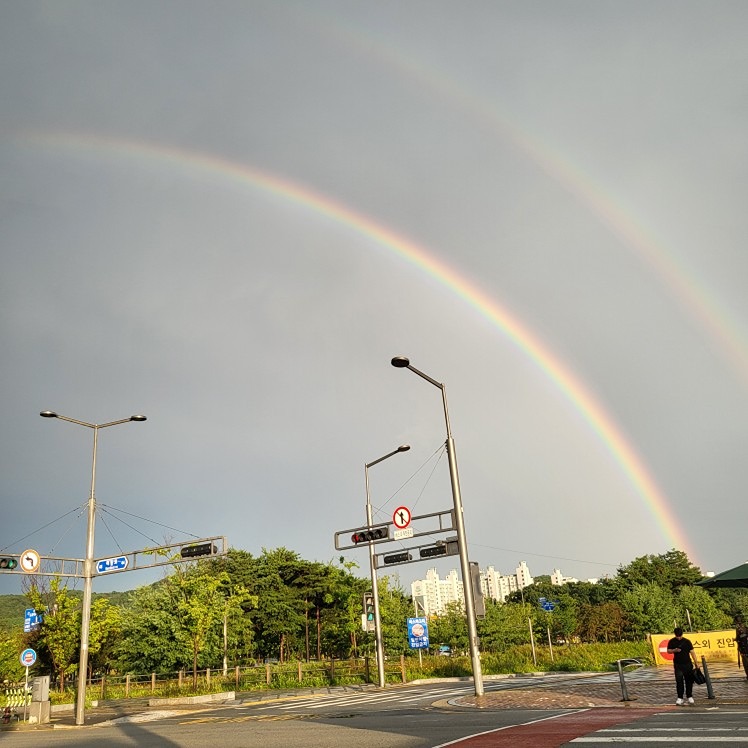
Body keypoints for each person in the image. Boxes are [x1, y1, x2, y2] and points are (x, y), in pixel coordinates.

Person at [667, 627, 699, 705]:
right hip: (678, 665)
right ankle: (680, 697)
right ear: (675, 634)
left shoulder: (687, 641)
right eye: (677, 636)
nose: (679, 637)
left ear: (682, 634)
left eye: (680, 635)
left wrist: (696, 663)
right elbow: (668, 651)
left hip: (688, 664)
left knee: (689, 681)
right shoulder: (671, 641)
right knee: (679, 681)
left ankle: (689, 696)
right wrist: (674, 650)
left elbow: (692, 652)